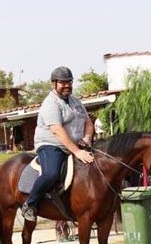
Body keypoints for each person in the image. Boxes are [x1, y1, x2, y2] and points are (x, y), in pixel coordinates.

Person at [21, 66, 95, 221]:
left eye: (69, 82)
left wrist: (87, 138)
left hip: (77, 144)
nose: (67, 85)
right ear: (53, 84)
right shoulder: (50, 103)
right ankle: (30, 204)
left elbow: (88, 122)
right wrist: (77, 152)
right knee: (51, 174)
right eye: (63, 82)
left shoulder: (76, 102)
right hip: (51, 145)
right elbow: (57, 130)